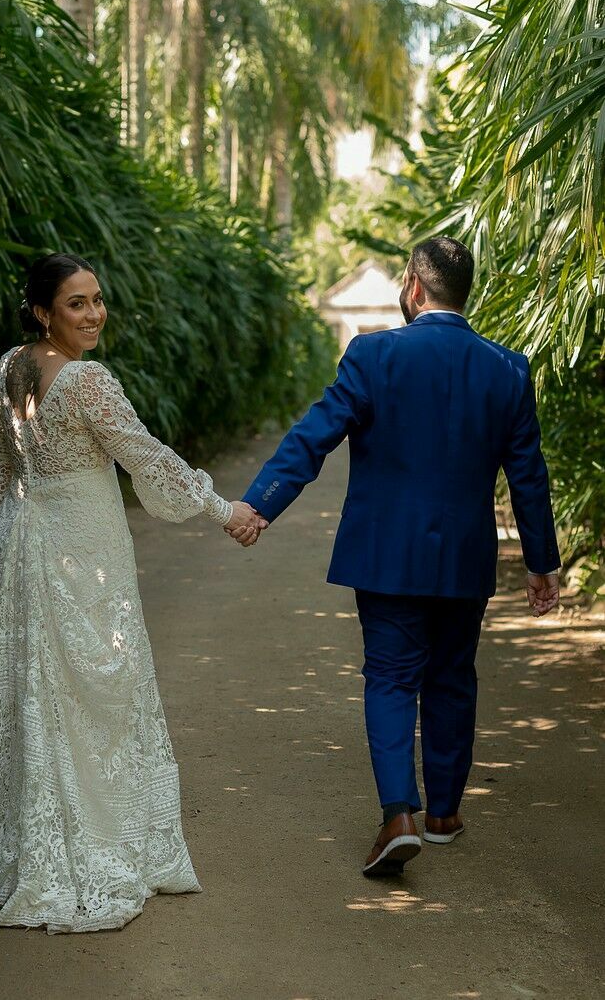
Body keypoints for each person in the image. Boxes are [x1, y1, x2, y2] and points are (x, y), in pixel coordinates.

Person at [0, 252, 257, 932]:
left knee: (39, 688)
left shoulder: (7, 368)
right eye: (76, 303)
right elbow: (142, 453)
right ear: (43, 311)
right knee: (91, 690)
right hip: (81, 550)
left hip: (23, 541)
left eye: (97, 299)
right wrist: (221, 509)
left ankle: (22, 842)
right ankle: (82, 846)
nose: (93, 313)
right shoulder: (85, 381)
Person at [233, 237, 560, 876]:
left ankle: (397, 815)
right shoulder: (508, 369)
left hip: (384, 557)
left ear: (412, 286)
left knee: (389, 676)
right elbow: (529, 476)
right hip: (464, 559)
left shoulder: (374, 355)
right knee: (452, 677)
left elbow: (313, 438)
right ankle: (443, 814)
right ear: (466, 291)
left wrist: (260, 504)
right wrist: (542, 562)